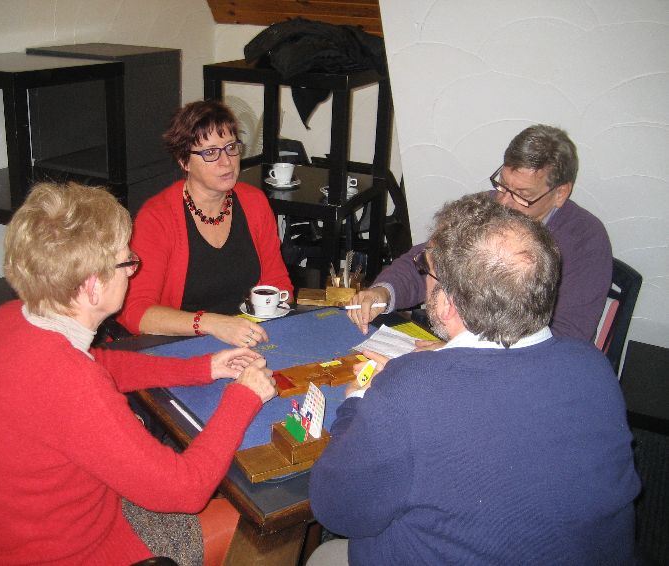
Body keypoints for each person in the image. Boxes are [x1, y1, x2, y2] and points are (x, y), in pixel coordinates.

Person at [0, 181, 277, 566]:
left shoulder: (7, 320)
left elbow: (101, 363)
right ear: (91, 288)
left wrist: (202, 367)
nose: (133, 270)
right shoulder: (70, 383)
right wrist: (244, 396)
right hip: (63, 554)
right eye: (126, 262)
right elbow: (184, 491)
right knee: (254, 524)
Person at [308, 193, 639, 565]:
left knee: (324, 555)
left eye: (428, 276)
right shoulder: (592, 367)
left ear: (448, 303)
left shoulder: (409, 389)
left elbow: (337, 510)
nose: (424, 281)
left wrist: (357, 404)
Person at [348, 124, 612, 344]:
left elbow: (564, 337)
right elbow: (427, 263)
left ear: (561, 193)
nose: (505, 203)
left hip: (524, 366)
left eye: (523, 195)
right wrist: (383, 293)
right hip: (464, 342)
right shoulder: (486, 210)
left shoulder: (587, 240)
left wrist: (460, 350)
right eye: (503, 186)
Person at [118, 100, 293, 347]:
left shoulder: (254, 202)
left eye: (231, 147)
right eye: (210, 152)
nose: (227, 161)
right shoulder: (157, 218)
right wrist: (212, 324)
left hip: (249, 336)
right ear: (184, 161)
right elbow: (135, 312)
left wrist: (261, 322)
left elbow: (278, 282)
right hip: (184, 343)